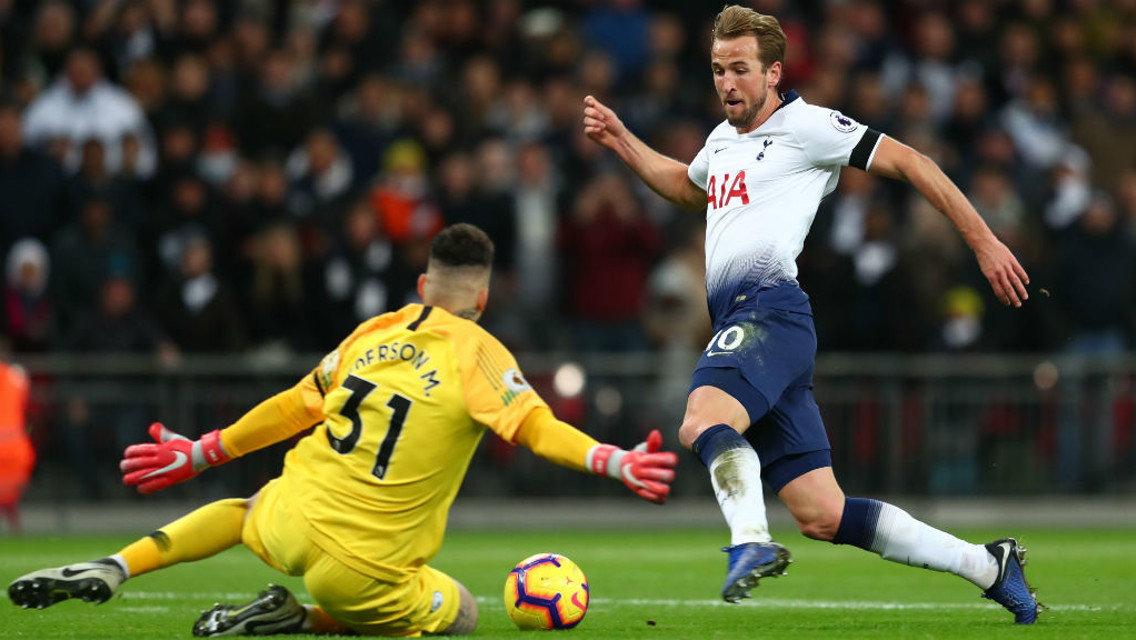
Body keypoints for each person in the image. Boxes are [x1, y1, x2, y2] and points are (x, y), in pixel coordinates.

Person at [582, 5, 1038, 624]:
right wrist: (620, 140)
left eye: (740, 69)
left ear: (773, 72)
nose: (726, 83)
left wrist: (984, 242)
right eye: (718, 70)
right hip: (752, 327)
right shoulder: (722, 140)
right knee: (823, 513)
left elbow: (915, 163)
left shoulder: (809, 127)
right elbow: (688, 187)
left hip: (769, 312)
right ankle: (989, 566)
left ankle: (749, 539)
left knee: (702, 420)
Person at [7, 223, 679, 637]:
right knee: (463, 614)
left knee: (244, 511)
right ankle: (300, 619)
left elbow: (294, 406)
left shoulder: (373, 332)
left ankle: (119, 563)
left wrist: (204, 450)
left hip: (293, 515)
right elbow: (535, 427)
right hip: (361, 568)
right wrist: (612, 460)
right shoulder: (478, 351)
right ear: (481, 298)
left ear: (423, 286)